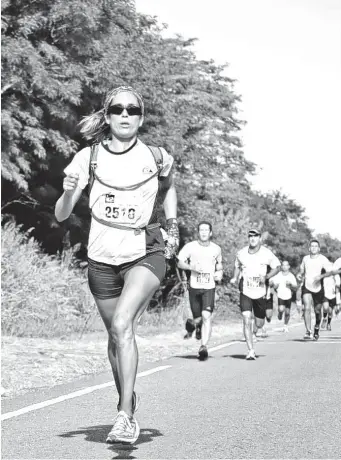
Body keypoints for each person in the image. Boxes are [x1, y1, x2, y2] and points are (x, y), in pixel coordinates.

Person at [55, 86, 178, 445]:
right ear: (107, 116)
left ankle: (124, 416)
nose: (125, 115)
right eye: (118, 109)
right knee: (114, 337)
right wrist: (67, 191)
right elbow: (62, 215)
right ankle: (129, 395)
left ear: (141, 117)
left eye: (133, 110)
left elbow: (168, 186)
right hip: (101, 259)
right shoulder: (88, 158)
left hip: (145, 251)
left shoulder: (156, 156)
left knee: (123, 324)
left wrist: (171, 226)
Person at [230, 225, 280, 360]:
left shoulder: (267, 253)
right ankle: (250, 350)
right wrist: (235, 277)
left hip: (260, 292)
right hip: (245, 290)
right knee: (246, 319)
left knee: (259, 323)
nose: (252, 239)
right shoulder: (241, 253)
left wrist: (267, 277)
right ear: (248, 238)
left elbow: (277, 267)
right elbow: (237, 266)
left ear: (259, 238)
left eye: (255, 236)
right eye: (250, 236)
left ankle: (257, 330)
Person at [177, 221, 223, 361]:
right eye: (201, 230)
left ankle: (203, 346)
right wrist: (192, 267)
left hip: (209, 287)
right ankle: (194, 326)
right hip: (194, 287)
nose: (203, 232)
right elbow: (179, 262)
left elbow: (219, 265)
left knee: (206, 316)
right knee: (197, 318)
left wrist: (219, 273)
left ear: (210, 233)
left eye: (206, 230)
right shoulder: (190, 247)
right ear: (198, 232)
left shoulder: (216, 249)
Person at [297, 240, 331, 341]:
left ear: (319, 249)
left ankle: (316, 327)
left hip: (318, 287)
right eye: (312, 246)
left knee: (317, 310)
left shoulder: (323, 259)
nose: (314, 248)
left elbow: (330, 272)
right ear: (309, 248)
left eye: (316, 246)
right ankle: (308, 331)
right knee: (307, 307)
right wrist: (299, 274)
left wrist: (321, 276)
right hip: (307, 286)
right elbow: (302, 270)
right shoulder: (305, 259)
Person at [270, 260, 297, 332]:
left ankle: (285, 326)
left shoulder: (291, 276)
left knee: (287, 312)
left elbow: (295, 287)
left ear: (289, 267)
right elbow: (273, 284)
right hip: (280, 295)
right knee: (281, 309)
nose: (285, 267)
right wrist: (274, 285)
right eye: (283, 265)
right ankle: (280, 313)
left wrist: (290, 285)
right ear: (281, 267)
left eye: (286, 265)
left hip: (289, 295)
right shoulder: (278, 275)